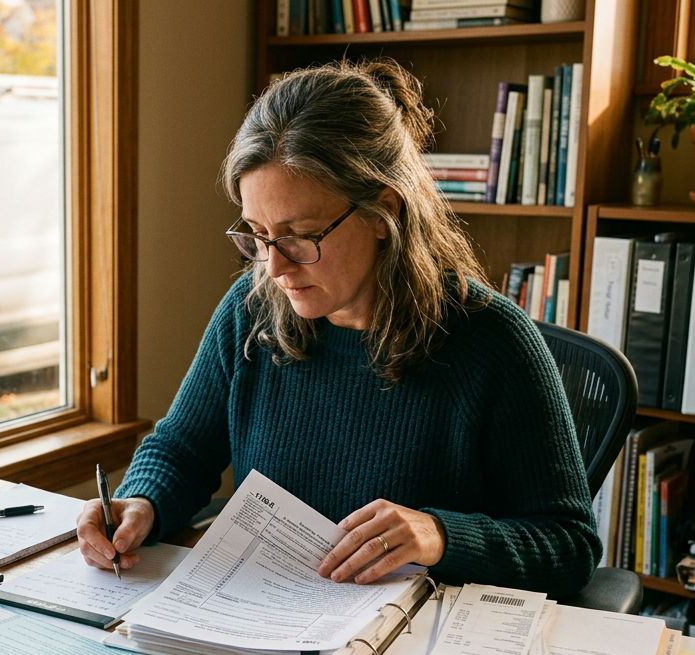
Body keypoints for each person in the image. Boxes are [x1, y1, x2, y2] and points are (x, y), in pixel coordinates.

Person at [76, 59, 599, 595]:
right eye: (256, 235)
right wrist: (143, 501)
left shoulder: (491, 342)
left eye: (300, 235)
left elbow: (568, 544)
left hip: (409, 644)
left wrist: (440, 534)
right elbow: (183, 447)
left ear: (382, 213)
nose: (274, 267)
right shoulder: (251, 309)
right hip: (270, 616)